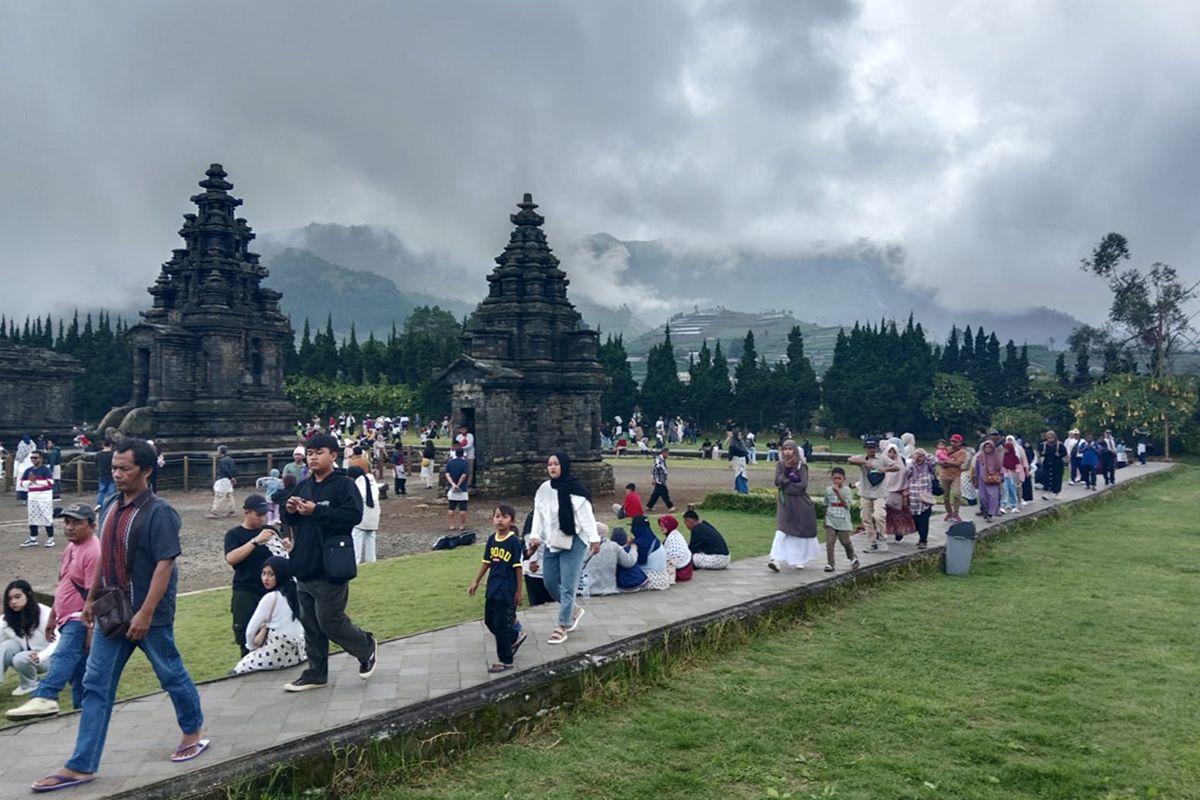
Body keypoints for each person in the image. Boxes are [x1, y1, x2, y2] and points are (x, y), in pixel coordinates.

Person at [32, 438, 206, 792]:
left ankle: (193, 730)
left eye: (125, 468)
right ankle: (81, 764)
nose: (118, 474)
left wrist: (145, 612)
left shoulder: (160, 512)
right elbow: (103, 559)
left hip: (148, 614)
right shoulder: (110, 505)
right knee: (96, 684)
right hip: (113, 612)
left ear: (146, 470)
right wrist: (90, 601)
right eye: (114, 467)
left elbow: (165, 564)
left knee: (169, 673)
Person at [281, 433, 377, 692]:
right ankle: (316, 672)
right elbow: (290, 521)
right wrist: (289, 510)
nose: (312, 457)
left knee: (329, 621)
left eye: (319, 452)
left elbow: (353, 516)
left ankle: (365, 646)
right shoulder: (304, 485)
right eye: (310, 452)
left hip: (331, 565)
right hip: (304, 562)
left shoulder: (343, 484)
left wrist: (318, 510)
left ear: (333, 456)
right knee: (310, 624)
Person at [7, 503, 102, 720]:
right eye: (67, 522)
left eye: (77, 523)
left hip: (79, 617)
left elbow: (92, 594)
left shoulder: (93, 551)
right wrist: (52, 616)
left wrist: (89, 629)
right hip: (65, 615)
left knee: (64, 654)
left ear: (92, 526)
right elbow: (64, 584)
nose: (70, 527)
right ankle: (83, 712)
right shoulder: (71, 547)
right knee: (81, 672)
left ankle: (46, 696)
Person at [528, 452, 601, 645]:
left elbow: (586, 516)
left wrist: (594, 538)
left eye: (556, 464)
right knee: (550, 582)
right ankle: (574, 610)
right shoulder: (544, 489)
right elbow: (538, 514)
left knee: (568, 585)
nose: (552, 467)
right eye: (550, 464)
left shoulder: (575, 489)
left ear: (564, 466)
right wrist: (535, 535)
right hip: (553, 540)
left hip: (575, 540)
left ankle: (562, 625)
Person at [467, 504, 526, 673]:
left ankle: (505, 660)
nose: (500, 520)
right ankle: (515, 637)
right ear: (492, 519)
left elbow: (518, 567)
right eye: (498, 516)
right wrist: (476, 581)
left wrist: (519, 591)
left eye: (505, 517)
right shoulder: (492, 539)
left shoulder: (514, 542)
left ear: (511, 521)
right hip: (493, 587)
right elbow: (487, 562)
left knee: (501, 625)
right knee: (489, 621)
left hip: (507, 589)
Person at [231, 556, 306, 675]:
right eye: (263, 573)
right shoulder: (296, 592)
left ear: (280, 575)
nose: (266, 578)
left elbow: (250, 632)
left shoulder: (271, 598)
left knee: (240, 668)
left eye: (271, 574)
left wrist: (251, 648)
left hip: (279, 652)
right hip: (300, 651)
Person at [224, 495, 276, 658]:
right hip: (246, 590)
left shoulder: (270, 531)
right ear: (247, 512)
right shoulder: (234, 535)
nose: (262, 518)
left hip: (270, 592)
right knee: (247, 636)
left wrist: (287, 547)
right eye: (258, 515)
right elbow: (231, 558)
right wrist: (255, 541)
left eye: (264, 514)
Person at [768, 440, 821, 570]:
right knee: (782, 530)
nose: (787, 452)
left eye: (790, 449)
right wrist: (786, 472)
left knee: (799, 530)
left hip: (800, 502)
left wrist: (786, 486)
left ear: (795, 451)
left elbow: (802, 486)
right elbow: (778, 482)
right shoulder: (780, 465)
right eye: (785, 449)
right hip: (785, 502)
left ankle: (799, 558)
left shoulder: (801, 466)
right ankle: (775, 559)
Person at [2, 579, 56, 696]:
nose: (13, 602)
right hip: (27, 656)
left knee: (20, 657)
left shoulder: (43, 612)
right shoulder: (8, 618)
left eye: (17, 597)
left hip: (48, 658)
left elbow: (58, 640)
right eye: (10, 599)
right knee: (7, 646)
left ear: (28, 595)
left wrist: (41, 656)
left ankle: (30, 685)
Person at [848, 438, 895, 552]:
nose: (871, 450)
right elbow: (850, 459)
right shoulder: (862, 458)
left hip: (879, 493)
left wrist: (884, 469)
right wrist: (865, 462)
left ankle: (882, 538)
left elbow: (896, 466)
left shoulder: (882, 458)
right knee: (866, 518)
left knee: (879, 516)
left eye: (873, 447)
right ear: (865, 449)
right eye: (869, 448)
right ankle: (872, 542)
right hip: (865, 492)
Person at [581, 522, 639, 595]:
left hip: (585, 588)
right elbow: (629, 562)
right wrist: (634, 548)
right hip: (607, 588)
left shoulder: (583, 546)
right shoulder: (613, 546)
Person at [823, 467, 859, 570]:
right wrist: (825, 519)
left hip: (843, 519)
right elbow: (826, 504)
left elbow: (846, 505)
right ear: (832, 479)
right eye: (835, 478)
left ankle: (852, 558)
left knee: (845, 541)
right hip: (831, 518)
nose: (837, 481)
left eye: (839, 478)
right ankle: (830, 563)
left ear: (844, 479)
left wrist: (838, 492)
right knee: (830, 542)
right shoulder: (828, 490)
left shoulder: (847, 490)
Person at [19, 450, 56, 548]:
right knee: (32, 518)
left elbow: (50, 482)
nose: (33, 459)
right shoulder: (28, 470)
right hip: (32, 496)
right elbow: (22, 483)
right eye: (32, 457)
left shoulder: (45, 470)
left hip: (44, 496)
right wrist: (30, 482)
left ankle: (50, 538)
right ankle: (33, 538)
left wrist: (36, 481)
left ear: (41, 459)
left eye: (35, 457)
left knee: (47, 516)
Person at [881, 442, 915, 541]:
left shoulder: (900, 466)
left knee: (898, 516)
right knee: (883, 516)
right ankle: (883, 533)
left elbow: (904, 479)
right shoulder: (882, 464)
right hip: (883, 494)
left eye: (894, 452)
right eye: (889, 452)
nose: (891, 454)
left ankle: (899, 533)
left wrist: (905, 490)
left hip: (897, 494)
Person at [348, 466, 381, 564]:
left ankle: (355, 560)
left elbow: (360, 495)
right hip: (375, 508)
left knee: (357, 534)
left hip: (364, 508)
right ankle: (371, 560)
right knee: (370, 535)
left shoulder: (360, 480)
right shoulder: (371, 478)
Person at [906, 452, 937, 550]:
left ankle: (923, 540)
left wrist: (924, 454)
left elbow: (934, 460)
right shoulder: (911, 467)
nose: (919, 459)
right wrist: (912, 462)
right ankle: (921, 535)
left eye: (921, 457)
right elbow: (905, 474)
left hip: (926, 499)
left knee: (924, 520)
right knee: (916, 521)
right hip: (913, 499)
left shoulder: (928, 466)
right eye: (917, 457)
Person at [520, 511, 552, 607]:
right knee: (537, 602)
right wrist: (532, 560)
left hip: (551, 566)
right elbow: (528, 539)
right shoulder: (533, 516)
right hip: (535, 568)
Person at [938, 434, 969, 522]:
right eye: (952, 441)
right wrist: (944, 462)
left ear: (960, 443)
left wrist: (947, 462)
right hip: (944, 475)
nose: (953, 443)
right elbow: (939, 459)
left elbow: (958, 463)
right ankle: (949, 513)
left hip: (956, 475)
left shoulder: (962, 452)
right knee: (945, 496)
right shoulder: (946, 449)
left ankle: (956, 513)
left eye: (955, 442)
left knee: (956, 494)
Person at [973, 440, 1003, 521]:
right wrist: (975, 479)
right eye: (986, 447)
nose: (987, 449)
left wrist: (1001, 476)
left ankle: (991, 513)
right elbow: (976, 469)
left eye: (989, 447)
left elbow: (1000, 468)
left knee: (993, 497)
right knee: (983, 497)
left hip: (993, 480)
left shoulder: (996, 457)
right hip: (982, 481)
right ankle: (986, 510)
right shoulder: (980, 457)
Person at [658, 514, 693, 583]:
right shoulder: (676, 534)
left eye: (663, 526)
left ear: (669, 525)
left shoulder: (673, 539)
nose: (661, 528)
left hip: (681, 572)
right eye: (661, 526)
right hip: (688, 570)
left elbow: (670, 559)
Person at [207, 445, 238, 518]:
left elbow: (225, 470)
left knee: (219, 495)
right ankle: (231, 511)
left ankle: (214, 512)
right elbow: (234, 469)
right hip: (228, 479)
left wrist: (230, 477)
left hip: (223, 479)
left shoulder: (223, 460)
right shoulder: (230, 459)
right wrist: (232, 477)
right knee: (229, 495)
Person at [445, 448, 470, 531]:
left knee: (451, 508)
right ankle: (462, 525)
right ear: (463, 454)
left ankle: (452, 525)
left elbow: (447, 474)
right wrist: (458, 485)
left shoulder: (450, 463)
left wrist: (453, 484)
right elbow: (464, 475)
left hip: (452, 489)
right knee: (463, 509)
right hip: (462, 489)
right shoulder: (465, 463)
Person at [1039, 431, 1067, 499]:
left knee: (1057, 478)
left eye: (1051, 437)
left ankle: (1057, 493)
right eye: (1048, 437)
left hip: (1057, 464)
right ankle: (1046, 492)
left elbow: (1064, 453)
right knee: (1046, 478)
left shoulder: (1059, 444)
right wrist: (1042, 453)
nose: (1050, 438)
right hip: (1047, 464)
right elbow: (1040, 452)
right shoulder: (1043, 444)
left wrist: (1059, 455)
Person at [1001, 441, 1022, 514]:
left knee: (1012, 490)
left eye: (1006, 449)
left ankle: (1014, 505)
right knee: (1004, 490)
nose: (1005, 450)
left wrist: (1018, 477)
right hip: (1004, 476)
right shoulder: (1003, 457)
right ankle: (1003, 505)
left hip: (1012, 476)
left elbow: (1018, 468)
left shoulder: (1015, 457)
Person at [95, 439, 116, 508]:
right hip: (111, 474)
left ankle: (99, 504)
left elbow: (96, 462)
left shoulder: (98, 454)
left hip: (102, 474)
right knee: (111, 491)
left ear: (103, 445)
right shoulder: (113, 454)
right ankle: (109, 504)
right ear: (111, 445)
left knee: (101, 490)